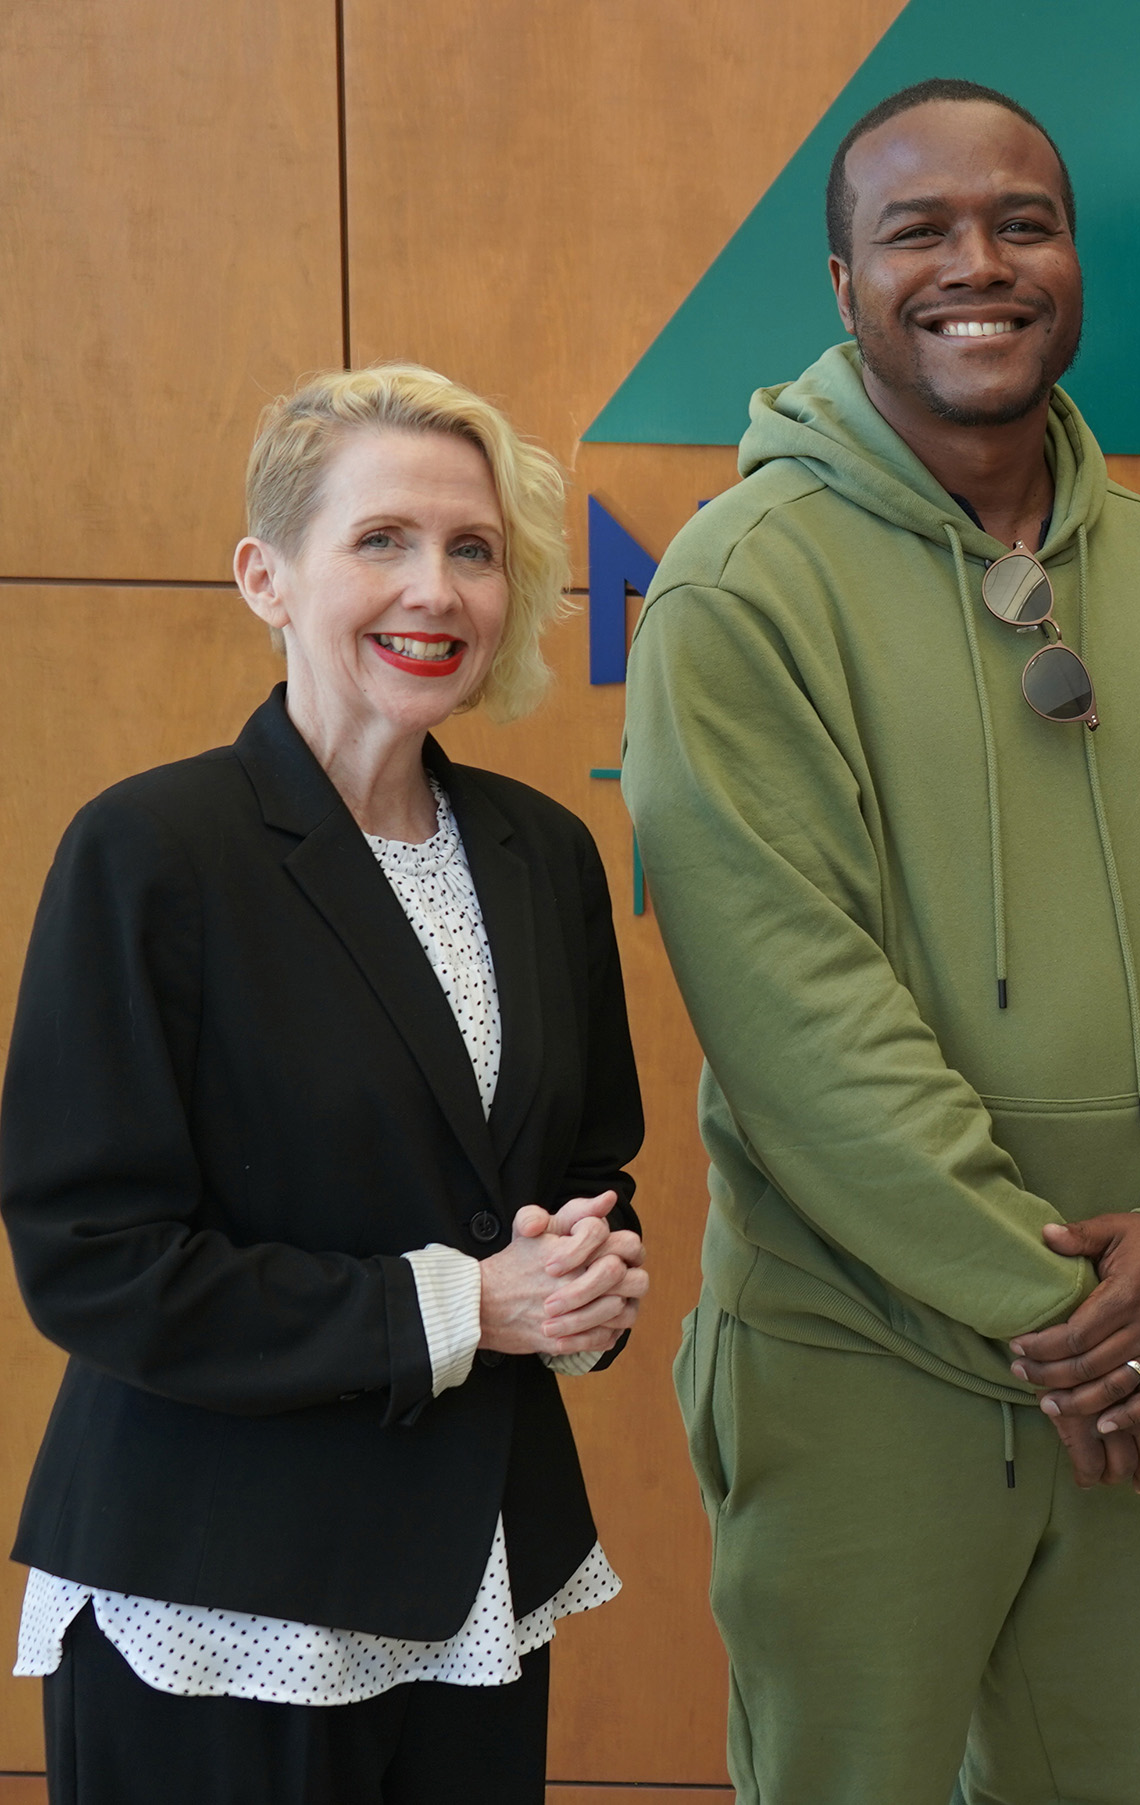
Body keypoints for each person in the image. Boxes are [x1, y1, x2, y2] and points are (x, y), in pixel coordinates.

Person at [621, 77, 1140, 1805]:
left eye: (1021, 221)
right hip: (869, 1369)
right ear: (846, 288)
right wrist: (1068, 1314)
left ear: (1073, 262)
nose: (977, 262)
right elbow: (801, 1024)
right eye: (916, 231)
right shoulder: (737, 586)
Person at [1, 363, 650, 1803]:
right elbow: (94, 1262)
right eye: (384, 541)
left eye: (473, 550)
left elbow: (590, 1170)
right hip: (219, 1596)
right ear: (267, 576)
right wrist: (466, 1303)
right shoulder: (151, 850)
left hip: (475, 1577)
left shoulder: (544, 855)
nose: (437, 589)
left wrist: (590, 1284)